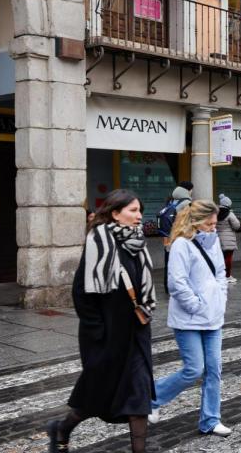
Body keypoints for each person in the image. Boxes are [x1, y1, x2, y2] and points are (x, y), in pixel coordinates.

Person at [47, 189, 156, 453]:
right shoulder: (100, 243)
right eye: (133, 210)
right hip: (106, 338)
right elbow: (82, 295)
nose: (139, 215)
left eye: (140, 209)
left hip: (136, 334)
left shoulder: (136, 242)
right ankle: (62, 428)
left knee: (138, 397)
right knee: (96, 397)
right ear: (115, 213)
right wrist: (99, 333)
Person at [150, 199, 232, 437]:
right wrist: (197, 305)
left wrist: (219, 300)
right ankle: (152, 398)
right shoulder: (181, 245)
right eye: (210, 223)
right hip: (189, 319)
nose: (213, 227)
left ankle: (210, 420)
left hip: (213, 317)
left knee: (214, 370)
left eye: (215, 223)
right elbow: (177, 283)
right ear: (196, 222)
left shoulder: (213, 240)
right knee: (194, 369)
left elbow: (220, 273)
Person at [160, 182, 193, 294]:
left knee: (169, 263)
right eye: (191, 190)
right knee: (181, 265)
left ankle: (168, 287)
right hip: (181, 238)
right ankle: (180, 288)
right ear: (188, 190)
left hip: (168, 239)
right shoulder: (187, 203)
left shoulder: (170, 202)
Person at [216, 194, 241, 284]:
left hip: (217, 238)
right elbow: (237, 226)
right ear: (228, 204)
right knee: (228, 258)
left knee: (219, 258)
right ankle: (227, 276)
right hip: (228, 239)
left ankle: (219, 276)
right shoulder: (230, 213)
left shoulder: (216, 212)